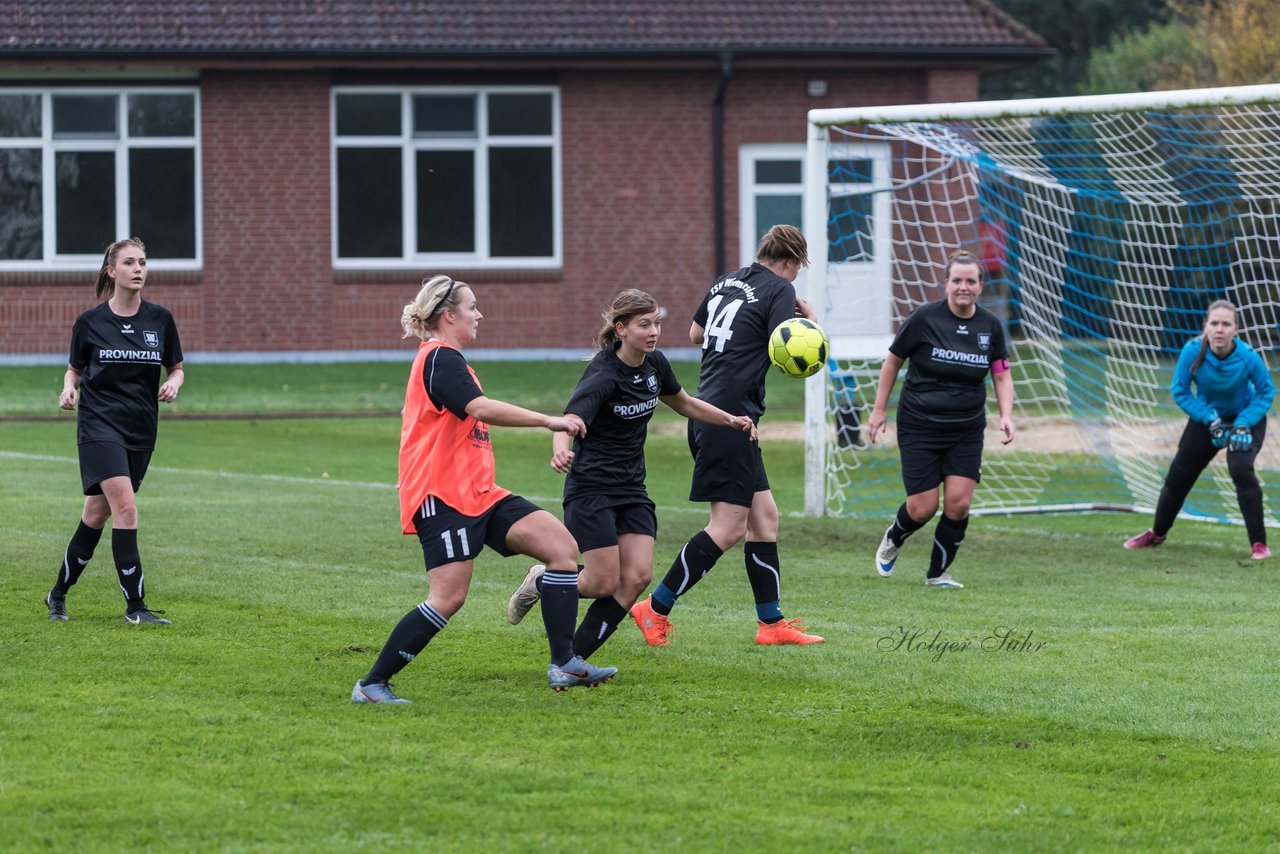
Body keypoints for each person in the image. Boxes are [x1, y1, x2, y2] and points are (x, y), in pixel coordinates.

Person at [352, 274, 617, 704]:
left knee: (562, 548)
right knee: (448, 597)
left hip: (480, 492)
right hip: (443, 496)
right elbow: (480, 408)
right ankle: (371, 684)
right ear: (448, 314)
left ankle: (565, 664)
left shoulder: (453, 361)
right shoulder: (438, 358)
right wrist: (549, 420)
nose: (480, 314)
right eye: (472, 307)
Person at [503, 289, 757, 659]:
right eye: (644, 325)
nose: (654, 331)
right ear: (620, 329)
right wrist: (561, 451)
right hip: (592, 488)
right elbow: (567, 421)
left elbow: (683, 402)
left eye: (657, 323)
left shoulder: (655, 365)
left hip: (631, 488)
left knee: (636, 577)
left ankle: (574, 659)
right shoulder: (604, 373)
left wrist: (730, 419)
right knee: (601, 581)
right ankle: (542, 579)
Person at [628, 224, 826, 646]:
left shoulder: (727, 281)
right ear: (791, 261)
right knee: (727, 527)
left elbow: (696, 335)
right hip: (728, 419)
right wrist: (808, 319)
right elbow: (786, 343)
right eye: (796, 270)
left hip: (713, 410)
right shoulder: (779, 289)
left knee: (765, 518)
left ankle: (771, 625)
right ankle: (654, 608)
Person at [46, 237, 184, 625]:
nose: (139, 269)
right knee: (125, 507)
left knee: (95, 513)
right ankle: (136, 607)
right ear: (112, 271)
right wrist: (68, 387)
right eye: (129, 262)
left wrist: (175, 382)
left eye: (143, 262)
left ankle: (57, 595)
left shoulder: (161, 319)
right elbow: (75, 368)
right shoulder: (90, 322)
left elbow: (176, 366)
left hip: (140, 427)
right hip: (98, 425)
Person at [867, 249, 1015, 589]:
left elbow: (1002, 375)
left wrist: (1006, 415)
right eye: (957, 280)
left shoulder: (990, 326)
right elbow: (893, 362)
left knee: (959, 505)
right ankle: (894, 537)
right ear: (946, 284)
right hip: (920, 424)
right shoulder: (924, 319)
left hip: (966, 429)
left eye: (971, 281)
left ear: (980, 286)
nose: (964, 287)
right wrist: (879, 409)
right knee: (922, 508)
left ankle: (937, 574)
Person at [1124, 299, 1275, 559]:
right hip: (1209, 419)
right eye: (1214, 323)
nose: (1219, 329)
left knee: (1241, 468)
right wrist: (1209, 419)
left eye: (1226, 324)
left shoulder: (1248, 356)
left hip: (1244, 419)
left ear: (1235, 329)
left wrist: (1242, 423)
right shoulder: (1192, 351)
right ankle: (1157, 533)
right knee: (1178, 477)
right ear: (1205, 326)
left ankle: (1259, 545)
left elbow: (1265, 392)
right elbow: (1180, 391)